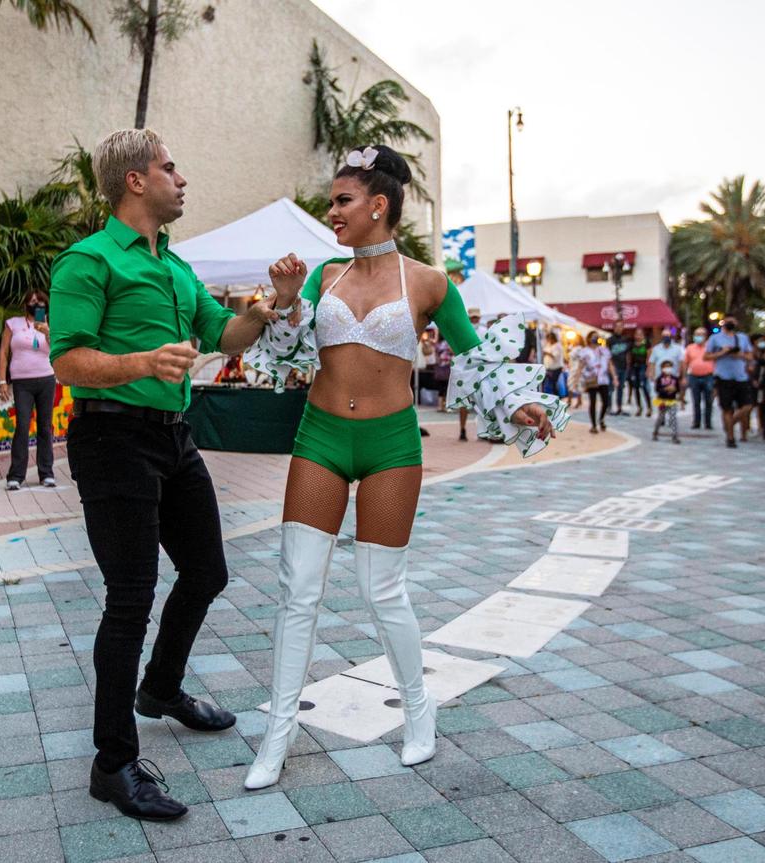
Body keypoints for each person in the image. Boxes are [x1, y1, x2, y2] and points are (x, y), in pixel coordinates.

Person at [243, 144, 567, 790]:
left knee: (381, 589)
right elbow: (283, 355)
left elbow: (474, 360)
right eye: (332, 202)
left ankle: (420, 712)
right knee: (297, 588)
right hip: (321, 438)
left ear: (378, 205)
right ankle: (278, 733)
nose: (331, 212)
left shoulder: (427, 282)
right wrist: (282, 301)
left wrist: (522, 403)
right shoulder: (321, 277)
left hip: (392, 444)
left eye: (342, 201)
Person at [48, 128, 284, 822]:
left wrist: (265, 309)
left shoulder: (178, 270)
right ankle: (113, 762)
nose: (182, 179)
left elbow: (225, 335)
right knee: (130, 596)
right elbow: (69, 360)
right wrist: (143, 363)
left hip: (172, 439)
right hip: (111, 437)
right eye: (170, 168)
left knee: (207, 570)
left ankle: (162, 688)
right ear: (134, 181)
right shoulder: (88, 262)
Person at [0, 289, 58, 490]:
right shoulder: (13, 324)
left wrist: (47, 331)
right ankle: (16, 475)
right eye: (32, 302)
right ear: (25, 305)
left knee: (45, 426)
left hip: (46, 378)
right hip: (22, 382)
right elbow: (4, 352)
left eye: (40, 302)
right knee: (22, 426)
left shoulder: (51, 323)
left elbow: (57, 349)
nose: (36, 305)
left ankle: (46, 473)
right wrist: (1, 381)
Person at [705, 315, 754, 449]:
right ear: (723, 322)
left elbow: (750, 355)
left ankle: (730, 424)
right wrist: (722, 353)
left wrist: (739, 355)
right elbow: (706, 356)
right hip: (723, 377)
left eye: (733, 320)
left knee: (747, 406)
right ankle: (730, 438)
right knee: (727, 408)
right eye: (728, 321)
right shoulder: (715, 338)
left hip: (741, 377)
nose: (731, 323)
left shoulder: (742, 338)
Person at [456, 307, 489, 441]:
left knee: (484, 401)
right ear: (468, 318)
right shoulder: (462, 331)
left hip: (481, 370)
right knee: (464, 402)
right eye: (472, 317)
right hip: (466, 370)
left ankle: (485, 430)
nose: (475, 320)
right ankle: (462, 429)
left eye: (476, 317)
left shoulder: (485, 332)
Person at [578, 331, 615, 433]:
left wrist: (614, 377)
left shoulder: (604, 350)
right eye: (593, 337)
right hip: (591, 379)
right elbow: (581, 366)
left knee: (606, 402)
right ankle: (594, 425)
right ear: (589, 338)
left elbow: (610, 364)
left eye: (596, 337)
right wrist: (577, 379)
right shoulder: (584, 351)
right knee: (593, 402)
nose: (595, 339)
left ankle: (601, 419)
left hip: (603, 379)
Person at [683, 326, 714, 430]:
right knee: (696, 401)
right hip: (694, 376)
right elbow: (685, 363)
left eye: (701, 335)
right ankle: (696, 422)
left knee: (708, 401)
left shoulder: (711, 347)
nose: (698, 337)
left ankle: (708, 423)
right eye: (696, 334)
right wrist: (684, 377)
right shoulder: (690, 348)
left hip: (708, 376)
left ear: (706, 336)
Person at [652, 360, 681, 444]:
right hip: (662, 400)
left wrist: (674, 390)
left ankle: (674, 435)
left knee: (673, 418)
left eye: (669, 367)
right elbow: (657, 389)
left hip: (672, 400)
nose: (668, 369)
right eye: (666, 367)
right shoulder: (659, 379)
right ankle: (655, 432)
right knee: (660, 417)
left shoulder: (674, 379)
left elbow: (678, 389)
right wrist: (666, 389)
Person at [607, 322, 632, 415]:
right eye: (617, 326)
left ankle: (619, 407)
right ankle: (609, 407)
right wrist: (610, 367)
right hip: (614, 367)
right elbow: (607, 355)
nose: (619, 328)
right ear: (614, 328)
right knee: (611, 388)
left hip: (623, 367)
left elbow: (628, 354)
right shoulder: (610, 340)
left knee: (621, 389)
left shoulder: (625, 340)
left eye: (621, 327)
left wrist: (628, 367)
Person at [627, 329, 652, 417]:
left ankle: (649, 407)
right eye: (637, 334)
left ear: (643, 335)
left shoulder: (646, 344)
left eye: (640, 334)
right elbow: (629, 357)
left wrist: (648, 369)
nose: (638, 336)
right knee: (636, 388)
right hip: (634, 367)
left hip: (643, 366)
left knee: (644, 386)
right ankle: (639, 407)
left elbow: (649, 357)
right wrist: (629, 369)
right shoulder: (632, 344)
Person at [541, 330, 564, 396]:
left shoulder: (558, 346)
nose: (549, 340)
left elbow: (555, 356)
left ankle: (557, 397)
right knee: (548, 383)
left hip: (556, 368)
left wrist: (547, 353)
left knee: (554, 383)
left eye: (550, 338)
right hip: (548, 367)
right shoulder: (548, 345)